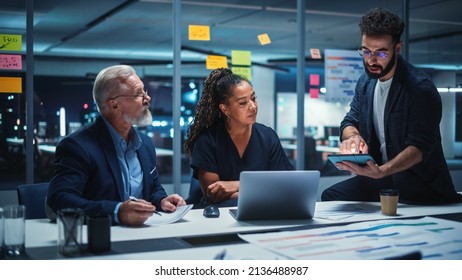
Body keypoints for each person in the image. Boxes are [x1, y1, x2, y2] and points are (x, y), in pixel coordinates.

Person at [321, 8, 461, 204]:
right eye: (366, 51)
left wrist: (382, 171)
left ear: (397, 48)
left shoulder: (420, 87)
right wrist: (353, 137)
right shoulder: (366, 82)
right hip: (384, 178)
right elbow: (350, 120)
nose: (371, 60)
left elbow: (419, 148)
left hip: (419, 183)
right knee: (332, 197)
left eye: (381, 53)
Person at [47, 65, 186, 226]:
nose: (147, 99)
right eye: (138, 94)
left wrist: (161, 200)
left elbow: (153, 188)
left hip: (143, 234)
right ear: (115, 105)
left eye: (145, 92)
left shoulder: (145, 143)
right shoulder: (77, 146)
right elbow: (59, 199)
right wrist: (117, 211)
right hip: (101, 238)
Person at [184, 68, 294, 207]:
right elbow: (213, 195)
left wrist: (236, 185)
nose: (253, 107)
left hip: (262, 212)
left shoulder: (268, 136)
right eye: (243, 103)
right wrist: (266, 189)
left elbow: (287, 183)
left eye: (253, 99)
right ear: (225, 109)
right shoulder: (207, 140)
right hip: (218, 218)